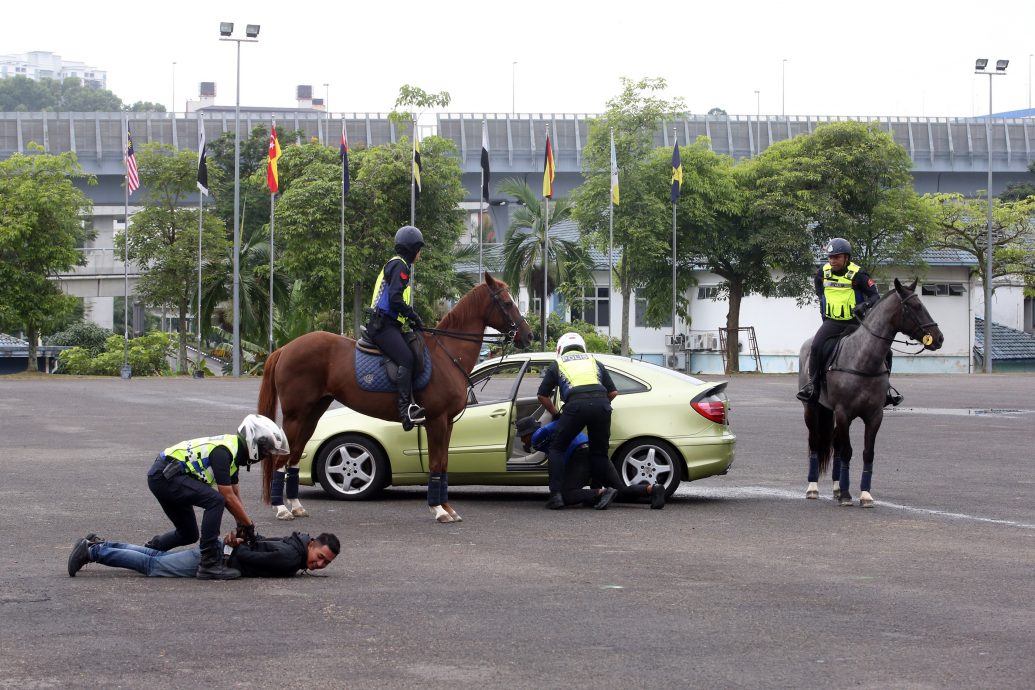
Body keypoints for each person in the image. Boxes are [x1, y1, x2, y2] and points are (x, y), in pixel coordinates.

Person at [143, 414, 290, 580]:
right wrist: (248, 526)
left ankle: (150, 548)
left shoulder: (234, 455)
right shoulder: (223, 451)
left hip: (168, 476)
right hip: (164, 476)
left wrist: (243, 525)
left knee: (188, 534)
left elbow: (235, 494)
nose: (265, 456)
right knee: (215, 500)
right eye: (265, 451)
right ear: (253, 442)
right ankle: (209, 563)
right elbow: (226, 496)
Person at [796, 238, 903, 407]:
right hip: (832, 323)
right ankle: (813, 386)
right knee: (816, 347)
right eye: (830, 257)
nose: (832, 261)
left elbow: (875, 296)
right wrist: (824, 311)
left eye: (836, 257)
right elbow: (820, 293)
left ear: (846, 257)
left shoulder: (859, 274)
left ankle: (885, 390)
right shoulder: (822, 273)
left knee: (886, 352)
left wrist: (865, 305)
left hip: (856, 323)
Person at [536, 332, 619, 510]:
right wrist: (598, 406)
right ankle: (597, 493)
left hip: (576, 406)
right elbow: (613, 392)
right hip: (602, 404)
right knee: (599, 452)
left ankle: (556, 496)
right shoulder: (594, 361)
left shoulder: (558, 363)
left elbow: (542, 395)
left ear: (559, 349)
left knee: (557, 448)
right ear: (583, 347)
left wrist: (556, 413)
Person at [516, 416, 664, 510]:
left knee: (566, 495)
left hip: (581, 454)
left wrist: (563, 416)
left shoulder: (537, 437)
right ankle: (653, 489)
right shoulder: (545, 440)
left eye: (523, 436)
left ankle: (601, 492)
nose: (522, 440)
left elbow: (556, 424)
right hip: (595, 449)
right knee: (621, 490)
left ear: (529, 433)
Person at [68, 530, 339, 579]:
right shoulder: (291, 558)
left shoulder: (293, 542)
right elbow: (249, 557)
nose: (319, 563)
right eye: (320, 556)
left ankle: (101, 543)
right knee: (153, 566)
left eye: (325, 563)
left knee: (153, 557)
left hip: (220, 549)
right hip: (218, 557)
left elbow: (261, 541)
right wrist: (235, 547)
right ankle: (93, 552)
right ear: (312, 544)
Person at [367, 225, 427, 431]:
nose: (419, 254)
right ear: (412, 249)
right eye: (419, 249)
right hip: (383, 326)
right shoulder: (400, 266)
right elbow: (394, 299)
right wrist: (413, 315)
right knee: (407, 358)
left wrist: (409, 320)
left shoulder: (397, 265)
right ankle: (405, 410)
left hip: (390, 324)